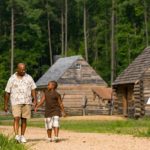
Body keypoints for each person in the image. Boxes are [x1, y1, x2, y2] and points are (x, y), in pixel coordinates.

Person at [4, 63, 37, 143]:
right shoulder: (12, 78)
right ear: (17, 69)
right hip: (16, 101)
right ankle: (16, 136)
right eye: (22, 69)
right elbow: (7, 92)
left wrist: (35, 99)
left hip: (27, 101)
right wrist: (6, 104)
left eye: (24, 69)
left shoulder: (28, 77)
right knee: (16, 118)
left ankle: (22, 136)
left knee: (24, 119)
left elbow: (33, 89)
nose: (23, 71)